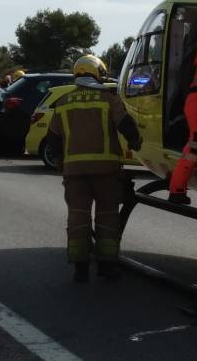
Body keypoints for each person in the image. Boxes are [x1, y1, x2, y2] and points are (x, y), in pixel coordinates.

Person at [46, 55, 142, 283]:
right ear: (99, 73)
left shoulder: (63, 102)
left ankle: (80, 269)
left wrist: (61, 163)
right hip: (106, 171)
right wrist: (136, 141)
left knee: (77, 219)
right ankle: (106, 266)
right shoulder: (109, 99)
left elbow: (52, 139)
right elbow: (126, 124)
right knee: (107, 218)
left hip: (75, 174)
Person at [167, 40, 197, 205]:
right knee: (194, 146)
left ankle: (177, 189)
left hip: (196, 98)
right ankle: (177, 191)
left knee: (194, 145)